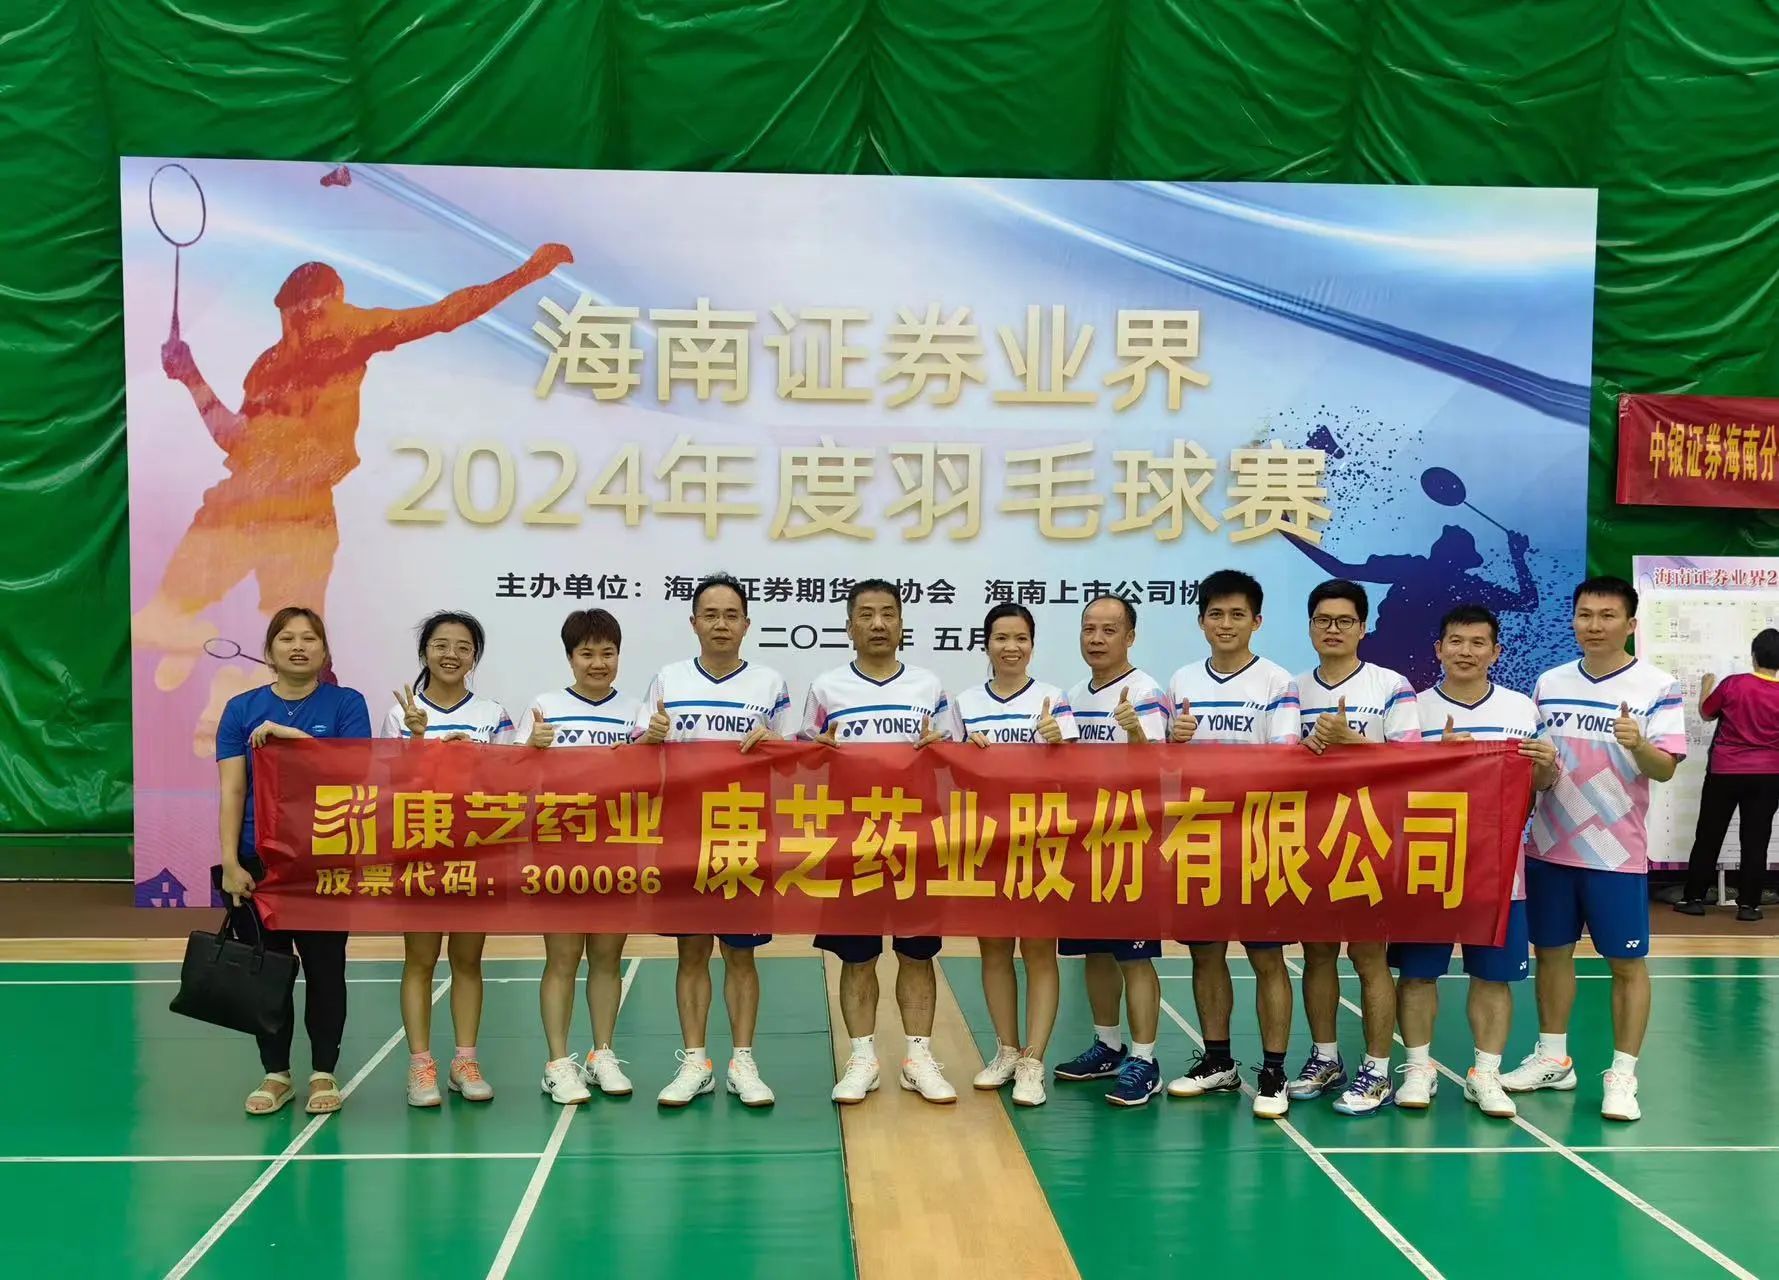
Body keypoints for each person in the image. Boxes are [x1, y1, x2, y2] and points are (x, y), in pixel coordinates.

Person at [133, 243, 573, 751]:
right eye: (299, 315)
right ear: (285, 312)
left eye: (320, 312)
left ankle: (237, 693)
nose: (309, 324)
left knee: (310, 666)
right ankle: (200, 653)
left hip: (304, 516)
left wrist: (526, 273)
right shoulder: (267, 366)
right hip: (238, 505)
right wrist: (191, 377)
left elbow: (444, 314)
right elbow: (235, 439)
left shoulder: (351, 333)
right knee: (159, 619)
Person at [1502, 577, 1684, 1122]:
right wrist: (1537, 769)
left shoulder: (1657, 685)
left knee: (1626, 963)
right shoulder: (1549, 683)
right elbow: (1538, 771)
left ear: (1630, 624)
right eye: (1585, 614)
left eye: (1607, 615)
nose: (1595, 625)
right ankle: (1553, 1058)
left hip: (1615, 854)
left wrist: (1639, 744)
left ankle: (1623, 1075)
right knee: (1551, 954)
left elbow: (1664, 769)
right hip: (1548, 848)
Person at [1389, 604, 1558, 1119]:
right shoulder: (1410, 709)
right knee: (1417, 975)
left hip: (1498, 869)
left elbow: (1543, 783)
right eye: (1456, 641)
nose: (1466, 651)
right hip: (1428, 862)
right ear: (1438, 649)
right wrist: (1435, 758)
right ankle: (1418, 1069)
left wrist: (1546, 767)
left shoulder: (1521, 710)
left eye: (1478, 642)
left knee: (1493, 977)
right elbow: (1388, 786)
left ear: (1496, 652)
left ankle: (1484, 1073)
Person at [636, 574, 793, 1108]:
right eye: (711, 614)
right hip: (682, 832)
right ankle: (695, 1062)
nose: (721, 624)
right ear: (694, 623)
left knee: (741, 954)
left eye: (731, 615)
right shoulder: (667, 679)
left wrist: (775, 743)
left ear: (746, 624)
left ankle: (743, 1062)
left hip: (745, 832)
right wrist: (650, 738)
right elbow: (639, 751)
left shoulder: (770, 682)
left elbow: (790, 759)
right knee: (691, 951)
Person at [805, 579, 961, 1106]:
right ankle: (862, 1059)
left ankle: (918, 1059)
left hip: (916, 842)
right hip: (851, 844)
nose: (878, 624)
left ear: (901, 623)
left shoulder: (929, 685)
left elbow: (955, 755)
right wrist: (813, 751)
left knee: (917, 955)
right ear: (849, 626)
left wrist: (947, 747)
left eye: (888, 613)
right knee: (857, 957)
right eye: (866, 615)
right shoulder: (826, 688)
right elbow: (805, 756)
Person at [216, 607, 371, 1115]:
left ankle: (324, 1072)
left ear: (325, 652)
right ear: (270, 651)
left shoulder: (347, 704)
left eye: (309, 638)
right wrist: (231, 862)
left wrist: (294, 738)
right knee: (269, 971)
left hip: (325, 860)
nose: (298, 646)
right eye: (286, 638)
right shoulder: (241, 709)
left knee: (326, 970)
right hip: (259, 861)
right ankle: (276, 1074)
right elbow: (232, 789)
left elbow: (353, 773)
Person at [1164, 570, 1299, 1118]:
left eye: (1237, 614)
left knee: (1267, 957)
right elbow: (1166, 768)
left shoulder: (1277, 682)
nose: (1226, 624)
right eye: (1215, 614)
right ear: (1201, 621)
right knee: (1206, 954)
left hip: (1261, 837)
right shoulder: (1181, 680)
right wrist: (1174, 745)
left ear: (1256, 621)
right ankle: (1218, 1062)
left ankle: (1274, 1071)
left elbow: (1284, 761)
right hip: (1199, 836)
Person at [1292, 579, 1421, 1115]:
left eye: (1344, 621)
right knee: (1317, 954)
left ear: (1363, 628)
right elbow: (1277, 761)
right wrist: (1301, 751)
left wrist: (1354, 743)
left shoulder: (1391, 686)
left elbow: (1413, 764)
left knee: (1369, 957)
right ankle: (1326, 1058)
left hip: (1371, 838)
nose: (1333, 629)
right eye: (1323, 620)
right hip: (1308, 840)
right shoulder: (1293, 689)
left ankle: (1377, 1070)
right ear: (1310, 627)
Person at [382, 611, 514, 1108]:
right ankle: (420, 1066)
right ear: (425, 652)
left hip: (475, 854)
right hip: (421, 850)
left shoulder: (493, 714)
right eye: (441, 645)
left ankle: (465, 1061)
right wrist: (420, 741)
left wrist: (475, 759)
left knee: (467, 960)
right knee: (419, 960)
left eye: (463, 647)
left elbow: (510, 784)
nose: (451, 655)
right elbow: (390, 786)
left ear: (474, 657)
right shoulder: (400, 714)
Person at [955, 603, 1079, 1107]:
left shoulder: (1054, 698)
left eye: (1021, 638)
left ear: (1032, 644)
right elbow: (948, 776)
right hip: (987, 843)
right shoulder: (965, 702)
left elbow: (1073, 775)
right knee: (994, 949)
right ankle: (1006, 1050)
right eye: (1001, 638)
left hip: (1040, 843)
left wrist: (1057, 744)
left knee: (1039, 950)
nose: (1011, 647)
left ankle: (1034, 1060)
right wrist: (966, 756)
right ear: (986, 644)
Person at [516, 608, 639, 1105]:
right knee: (562, 958)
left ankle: (602, 1054)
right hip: (559, 853)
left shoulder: (636, 712)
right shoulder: (544, 707)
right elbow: (512, 778)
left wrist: (653, 745)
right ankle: (557, 1063)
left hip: (616, 850)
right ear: (570, 657)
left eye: (607, 653)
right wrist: (531, 747)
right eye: (587, 653)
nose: (598, 663)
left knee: (608, 958)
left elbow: (654, 780)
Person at [1052, 595, 1172, 1107]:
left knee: (1134, 956)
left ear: (1130, 637)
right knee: (1096, 951)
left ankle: (1144, 1059)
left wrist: (1136, 731)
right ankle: (1107, 1045)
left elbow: (1158, 766)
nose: (1097, 639)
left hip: (1134, 843)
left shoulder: (1146, 691)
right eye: (1089, 629)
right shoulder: (1070, 695)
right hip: (1085, 843)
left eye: (1109, 629)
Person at [1676, 628, 1779, 922]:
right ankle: (1749, 906)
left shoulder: (1734, 684)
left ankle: (1694, 899)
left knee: (1709, 834)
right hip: (1769, 774)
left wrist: (1706, 686)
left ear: (1754, 655)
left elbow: (1707, 713)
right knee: (1756, 839)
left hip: (1725, 771)